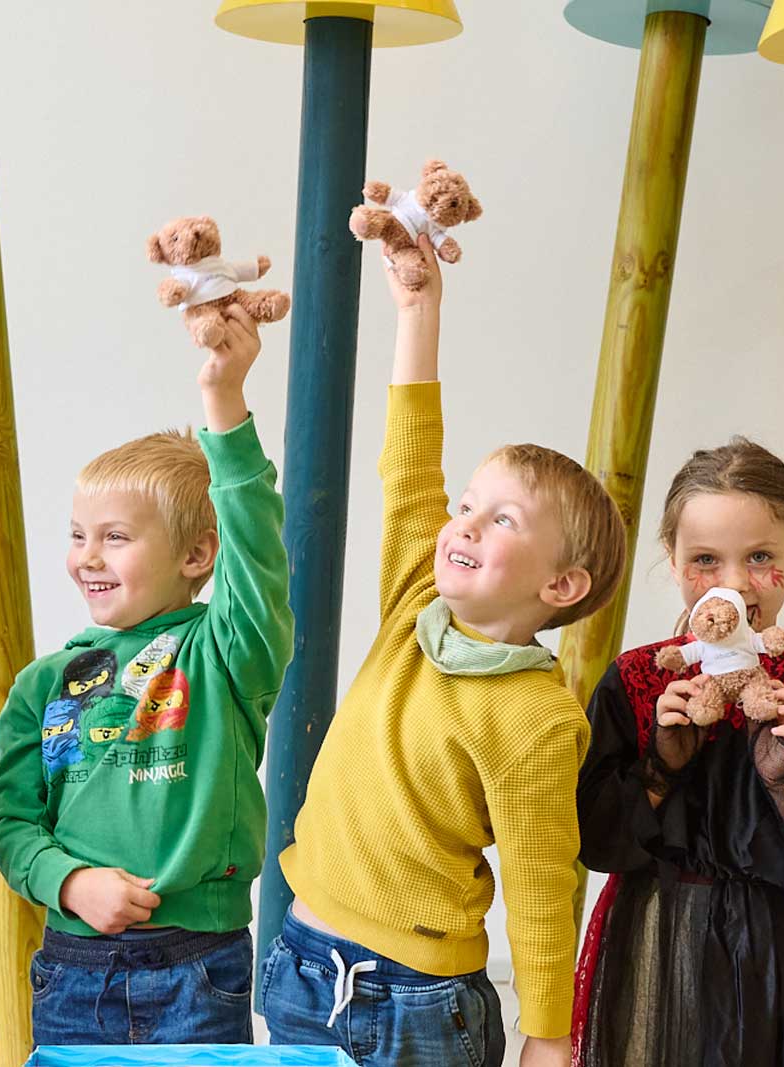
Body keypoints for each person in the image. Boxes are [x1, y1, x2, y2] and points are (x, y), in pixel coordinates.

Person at [259, 239, 626, 1067]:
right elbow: (409, 469)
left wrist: (549, 1030)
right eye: (468, 505)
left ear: (563, 586)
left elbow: (543, 881)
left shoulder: (538, 716)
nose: (462, 523)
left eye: (504, 519)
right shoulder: (412, 606)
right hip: (300, 960)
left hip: (417, 999)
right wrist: (418, 310)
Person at [0, 304, 294, 1047]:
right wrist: (67, 882)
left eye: (116, 537)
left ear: (195, 555)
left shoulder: (223, 651)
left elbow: (257, 557)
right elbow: (8, 820)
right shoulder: (43, 683)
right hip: (71, 967)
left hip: (197, 968)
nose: (89, 554)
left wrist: (224, 401)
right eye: (79, 534)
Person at [571, 438, 784, 1067]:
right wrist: (660, 769)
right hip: (655, 938)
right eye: (705, 559)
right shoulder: (635, 682)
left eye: (760, 556)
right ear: (671, 560)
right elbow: (589, 835)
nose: (733, 585)